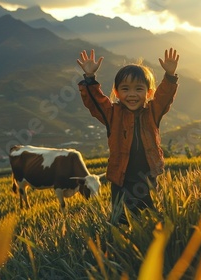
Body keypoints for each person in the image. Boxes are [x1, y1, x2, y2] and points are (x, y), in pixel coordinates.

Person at [77, 48, 179, 224]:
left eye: (138, 89)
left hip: (148, 177)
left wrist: (169, 76)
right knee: (120, 219)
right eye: (125, 89)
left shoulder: (152, 112)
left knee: (150, 217)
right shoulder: (112, 114)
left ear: (149, 92)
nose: (132, 94)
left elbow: (164, 97)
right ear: (116, 93)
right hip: (120, 178)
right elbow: (96, 102)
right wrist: (89, 78)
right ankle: (119, 247)